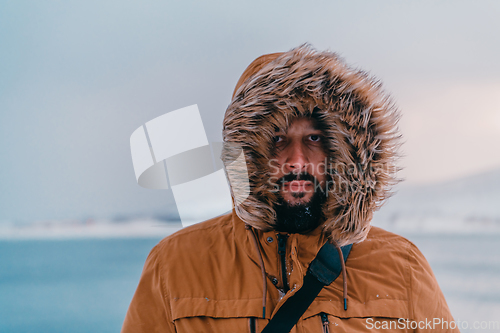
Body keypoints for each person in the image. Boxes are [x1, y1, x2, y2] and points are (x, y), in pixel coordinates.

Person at [121, 45, 459, 332]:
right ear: (249, 155)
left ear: (341, 151)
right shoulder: (176, 265)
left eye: (313, 138)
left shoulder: (401, 267)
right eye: (277, 140)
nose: (297, 161)